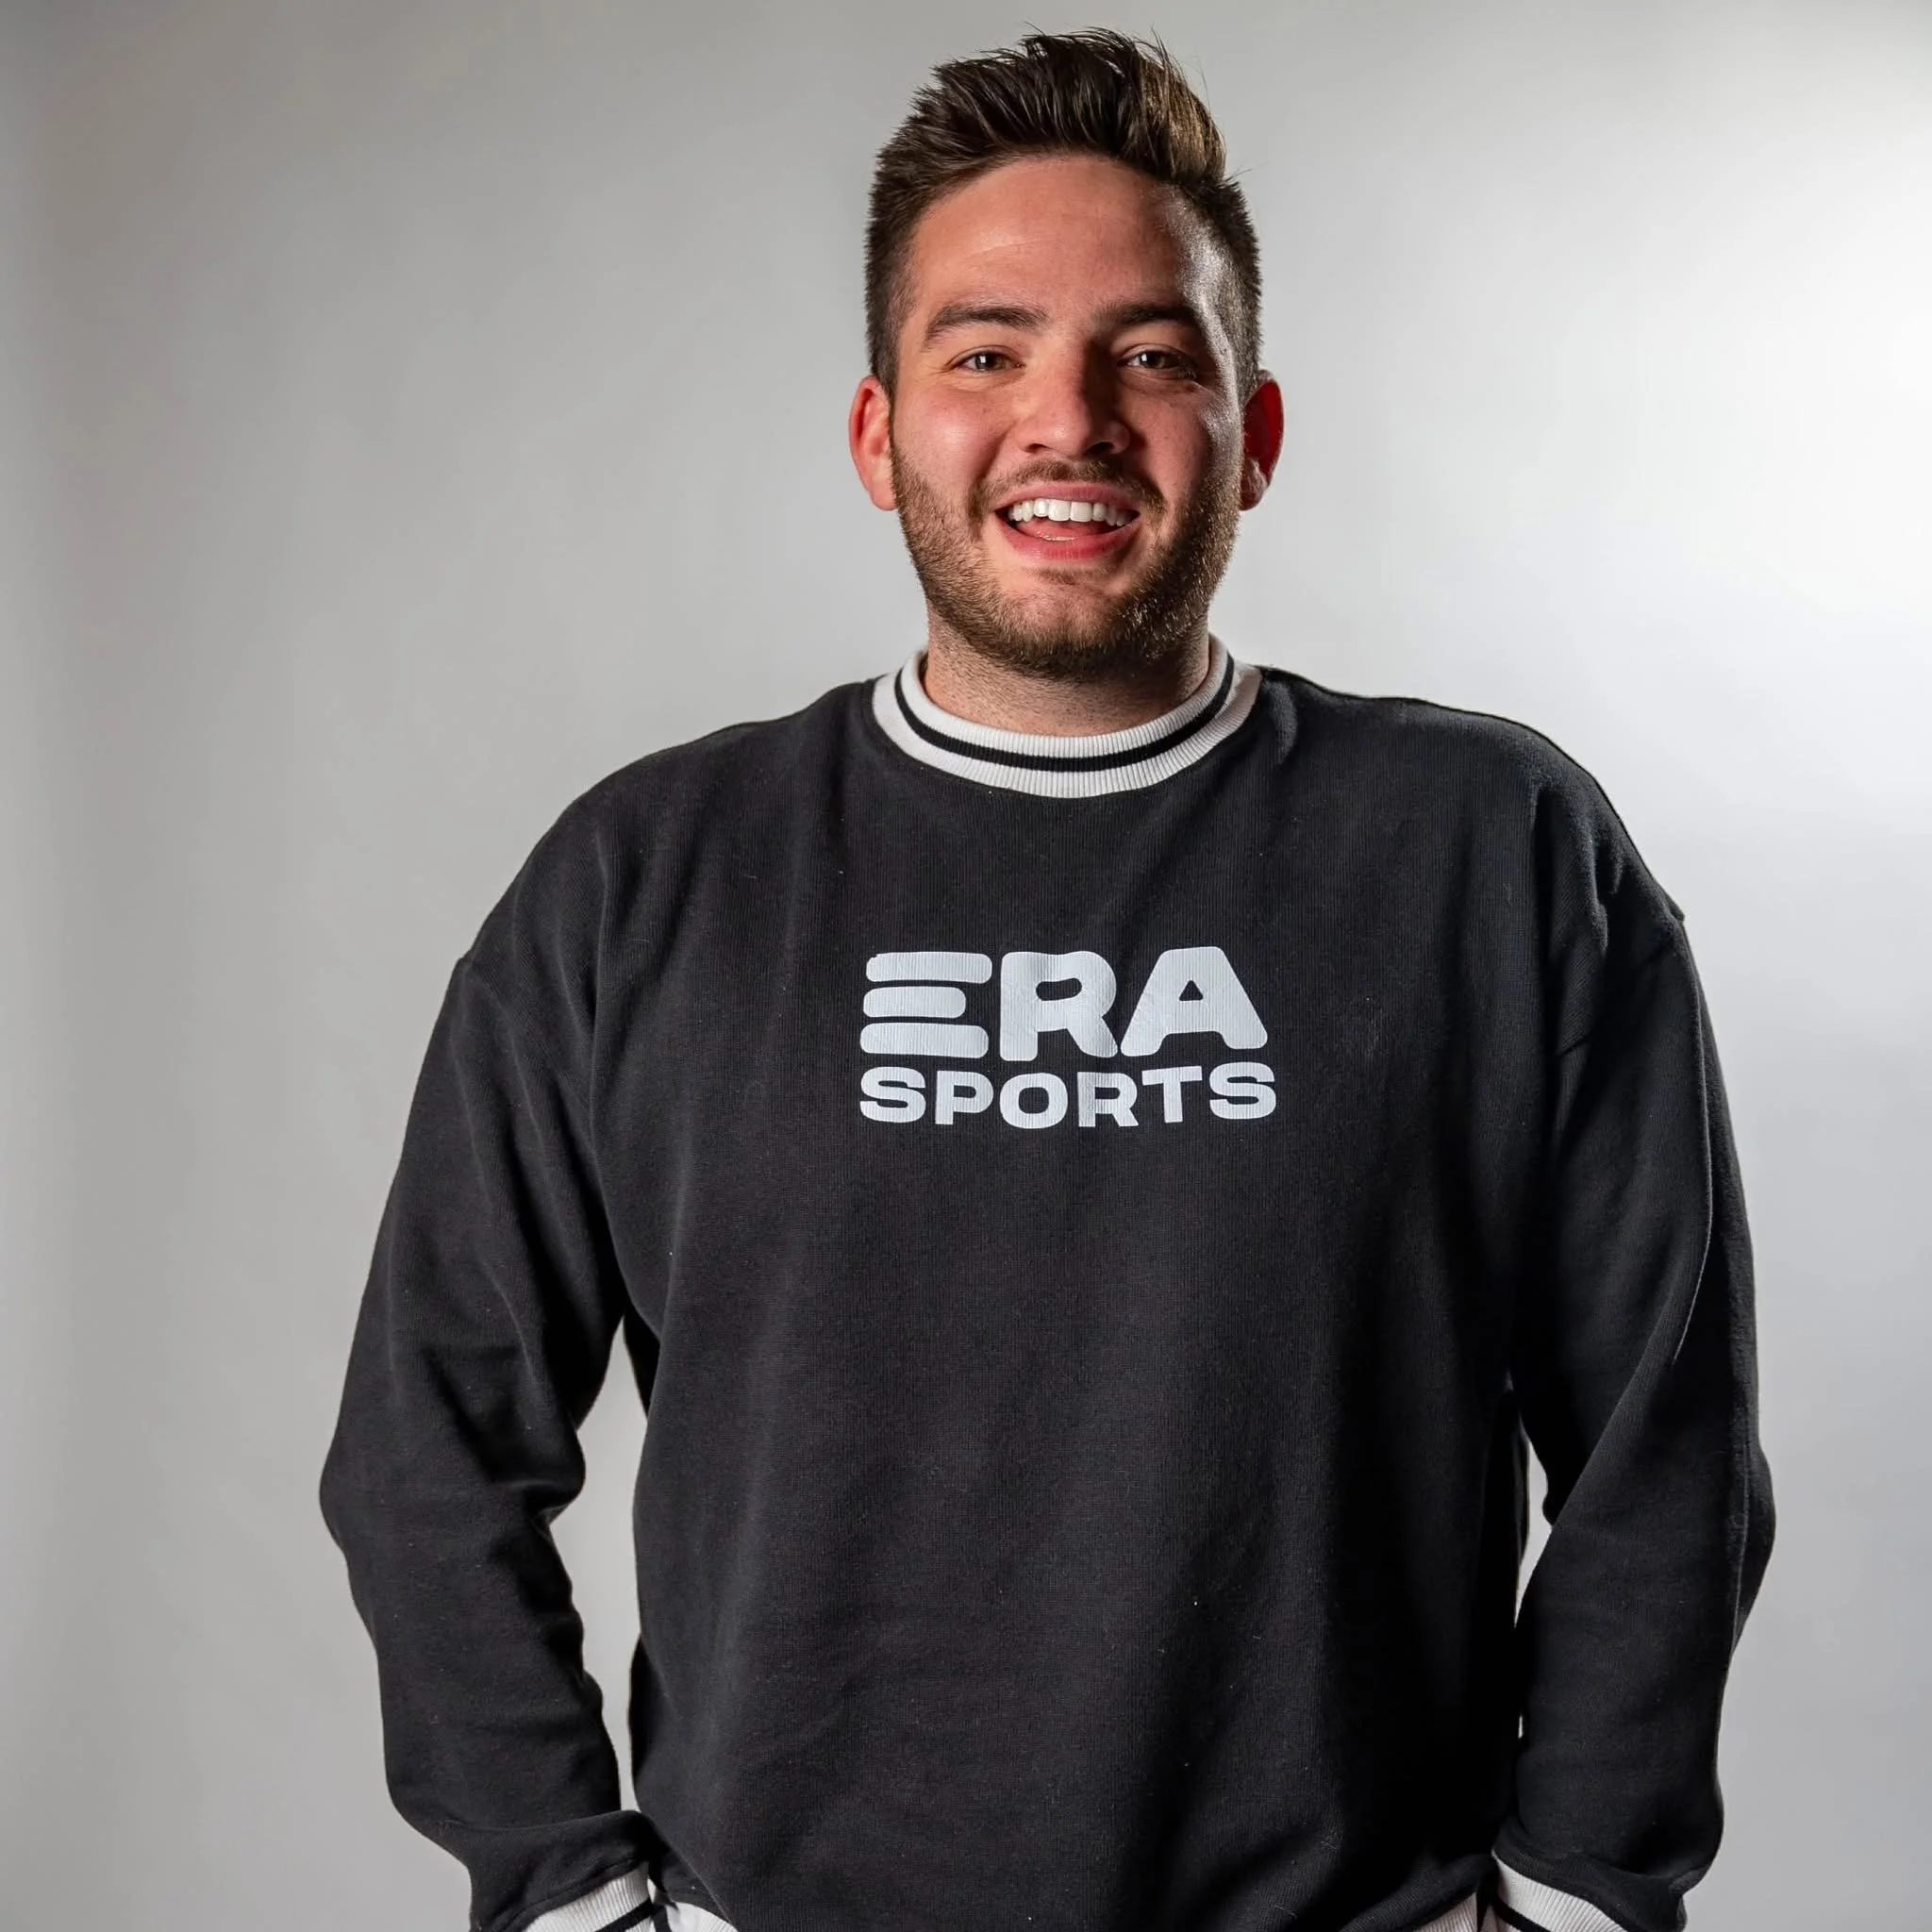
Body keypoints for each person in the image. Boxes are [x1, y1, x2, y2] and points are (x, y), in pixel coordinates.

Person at [321, 30, 1773, 1932]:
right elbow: (427, 1445)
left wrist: (1579, 1896)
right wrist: (572, 1892)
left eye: (1153, 356)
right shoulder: (641, 880)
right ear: (877, 434)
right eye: (983, 351)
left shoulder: (1493, 853)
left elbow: (1663, 1438)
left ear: (1250, 433)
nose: (1067, 421)